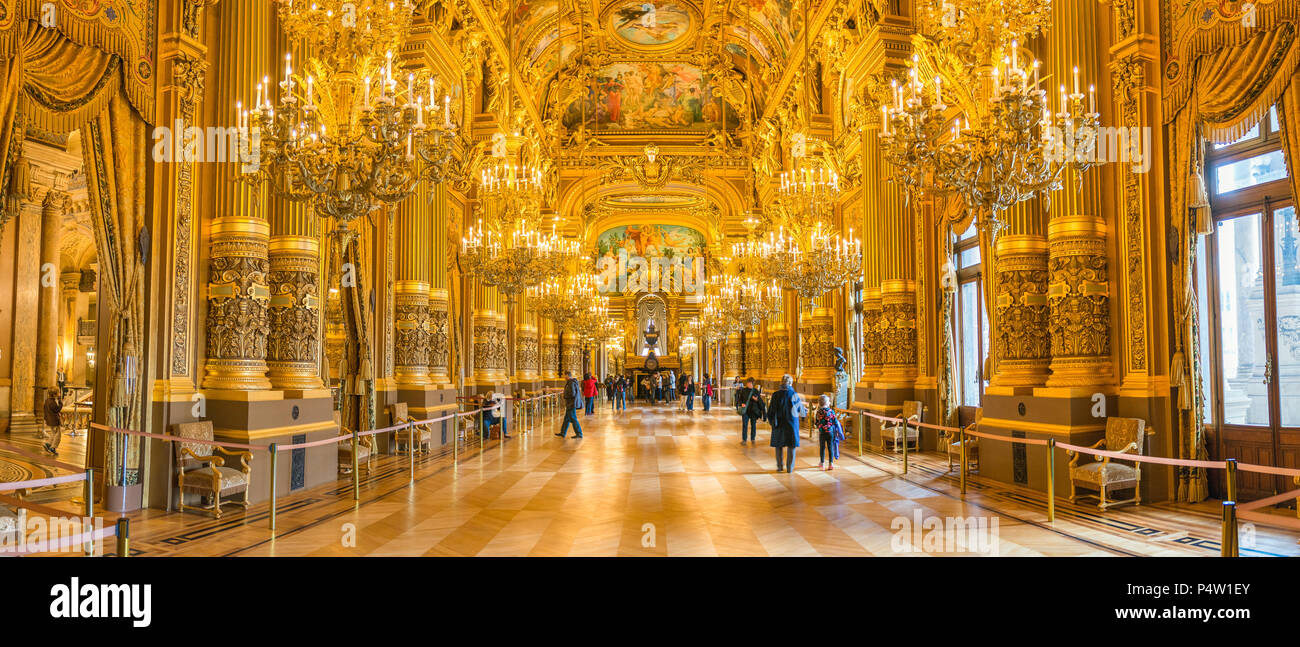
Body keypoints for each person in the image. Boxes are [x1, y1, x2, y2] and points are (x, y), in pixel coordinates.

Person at [766, 374, 803, 473]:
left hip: (779, 423)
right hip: (791, 424)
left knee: (779, 446)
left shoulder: (775, 395)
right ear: (790, 383)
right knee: (791, 446)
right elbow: (801, 410)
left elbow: (770, 411)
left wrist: (772, 422)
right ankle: (790, 468)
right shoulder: (794, 394)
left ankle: (779, 466)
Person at [814, 395, 844, 470]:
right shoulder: (831, 411)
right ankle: (831, 464)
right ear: (827, 403)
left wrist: (820, 426)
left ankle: (822, 463)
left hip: (822, 433)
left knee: (822, 448)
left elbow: (816, 422)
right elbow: (834, 421)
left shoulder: (818, 412)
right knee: (830, 447)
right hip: (830, 432)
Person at [736, 377, 765, 444]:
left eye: (749, 383)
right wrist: (741, 404)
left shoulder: (756, 391)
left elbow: (760, 401)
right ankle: (744, 439)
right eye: (747, 383)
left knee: (753, 425)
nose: (748, 384)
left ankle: (753, 438)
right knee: (745, 425)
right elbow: (740, 399)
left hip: (753, 411)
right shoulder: (744, 390)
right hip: (745, 411)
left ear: (752, 384)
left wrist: (756, 399)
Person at [556, 371, 584, 438]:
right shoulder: (570, 382)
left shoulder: (571, 383)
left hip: (571, 403)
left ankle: (579, 433)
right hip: (570, 403)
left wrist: (565, 395)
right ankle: (563, 432)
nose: (563, 377)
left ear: (567, 375)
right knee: (566, 419)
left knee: (573, 418)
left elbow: (572, 394)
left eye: (564, 375)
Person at [42, 389, 64, 456]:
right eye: (58, 392)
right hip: (54, 420)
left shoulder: (47, 401)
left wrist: (46, 419)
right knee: (58, 435)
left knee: (53, 433)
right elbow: (57, 409)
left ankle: (48, 444)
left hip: (49, 420)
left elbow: (45, 410)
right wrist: (60, 402)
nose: (59, 393)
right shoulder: (52, 402)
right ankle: (53, 447)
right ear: (55, 394)